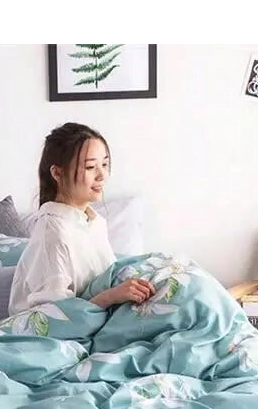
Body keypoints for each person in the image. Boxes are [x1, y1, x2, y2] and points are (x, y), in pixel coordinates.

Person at [8, 122, 154, 314]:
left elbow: (108, 280)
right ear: (57, 173)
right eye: (90, 166)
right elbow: (54, 316)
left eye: (104, 164)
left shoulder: (94, 223)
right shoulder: (53, 232)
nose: (102, 175)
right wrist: (112, 296)